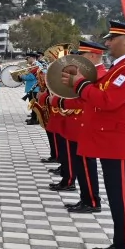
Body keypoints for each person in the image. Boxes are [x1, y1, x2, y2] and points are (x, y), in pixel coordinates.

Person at [60, 21, 125, 249]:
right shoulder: (123, 67)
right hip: (117, 141)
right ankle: (121, 242)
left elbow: (107, 100)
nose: (107, 43)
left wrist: (80, 84)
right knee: (118, 197)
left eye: (112, 39)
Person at [54, 41, 107, 214]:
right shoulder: (92, 73)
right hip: (79, 122)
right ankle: (86, 198)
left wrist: (60, 101)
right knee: (81, 164)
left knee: (86, 164)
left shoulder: (98, 74)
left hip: (84, 122)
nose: (79, 60)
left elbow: (86, 100)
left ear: (92, 56)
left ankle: (91, 201)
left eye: (82, 56)